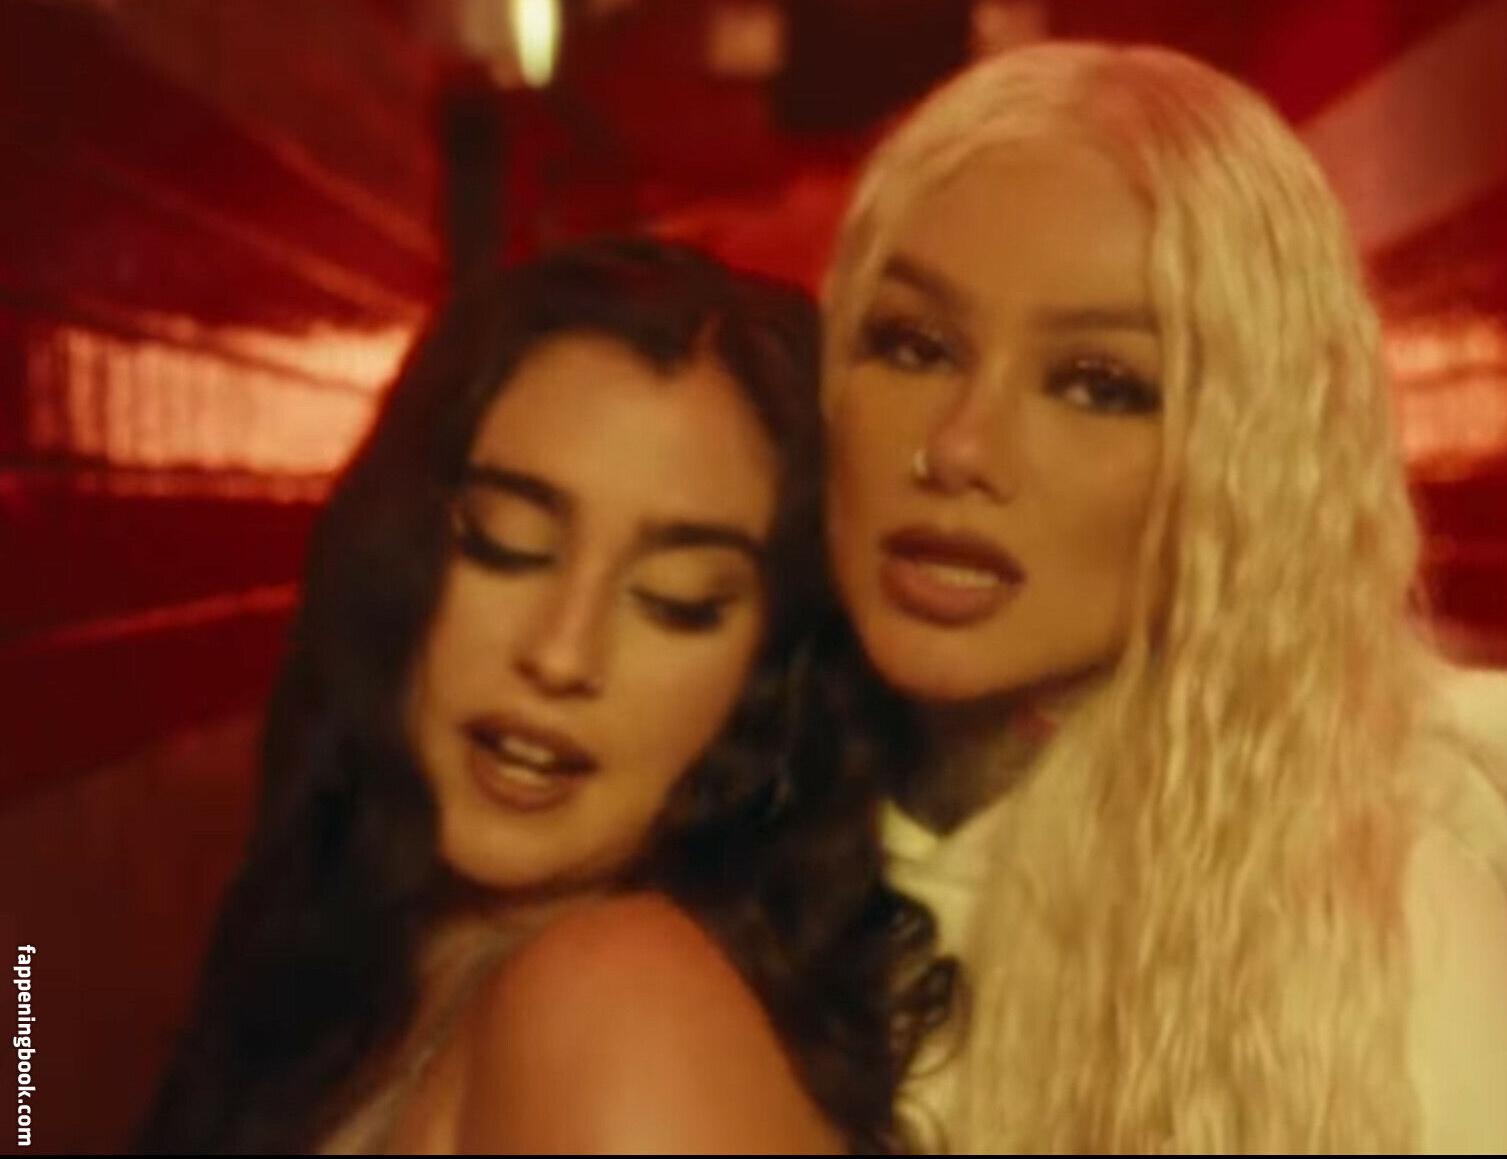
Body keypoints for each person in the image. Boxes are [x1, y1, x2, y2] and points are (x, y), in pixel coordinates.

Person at [818, 41, 1507, 1153]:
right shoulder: (713, 836)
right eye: (914, 344)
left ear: (1238, 463)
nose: (961, 446)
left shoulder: (1390, 944)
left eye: (1099, 384)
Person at [135, 236, 952, 1154]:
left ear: (773, 679)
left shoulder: (621, 1005)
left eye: (676, 601)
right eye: (506, 545)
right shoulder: (369, 957)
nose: (561, 653)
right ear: (396, 554)